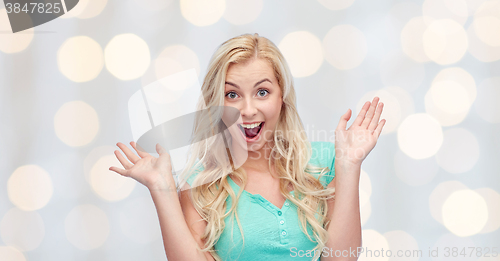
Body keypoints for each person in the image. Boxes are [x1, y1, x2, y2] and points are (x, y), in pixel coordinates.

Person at [109, 33, 386, 261]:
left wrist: (349, 166)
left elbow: (342, 258)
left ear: (282, 98)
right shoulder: (200, 185)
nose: (248, 110)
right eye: (232, 95)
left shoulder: (324, 162)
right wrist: (163, 190)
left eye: (262, 92)